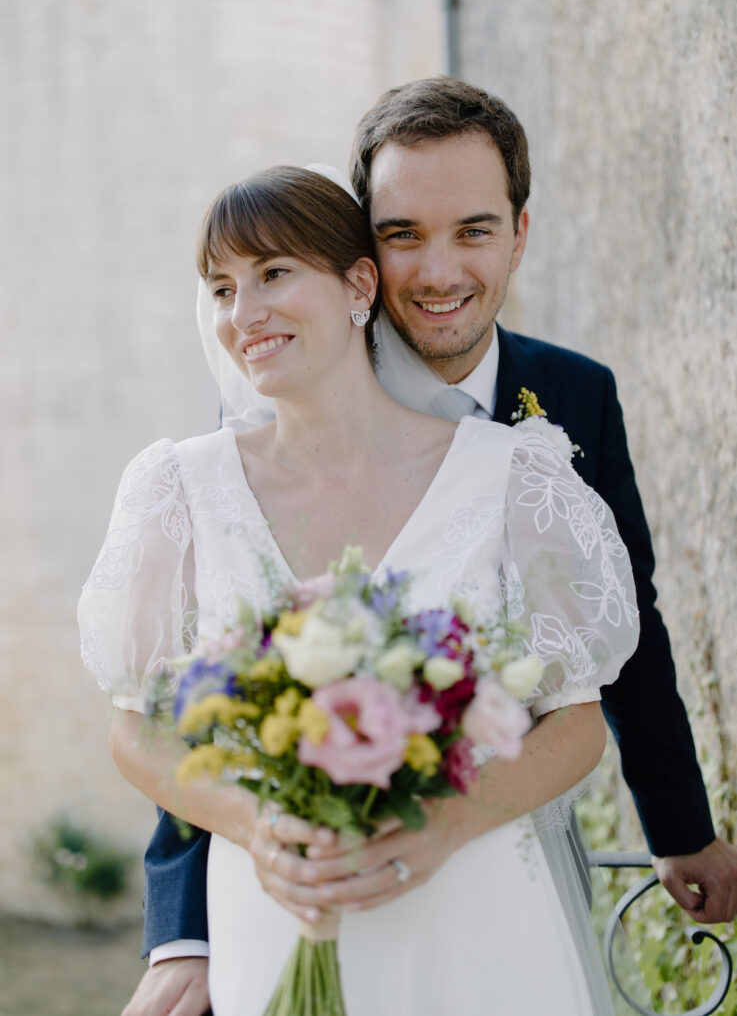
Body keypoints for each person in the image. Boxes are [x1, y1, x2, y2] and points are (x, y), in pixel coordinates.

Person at [114, 78, 737, 1016]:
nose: (438, 271)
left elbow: (619, 636)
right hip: (295, 895)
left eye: (473, 231)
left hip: (496, 867)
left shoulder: (567, 402)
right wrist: (183, 929)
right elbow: (207, 686)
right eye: (403, 234)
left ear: (518, 235)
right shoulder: (263, 416)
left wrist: (681, 827)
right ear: (364, 252)